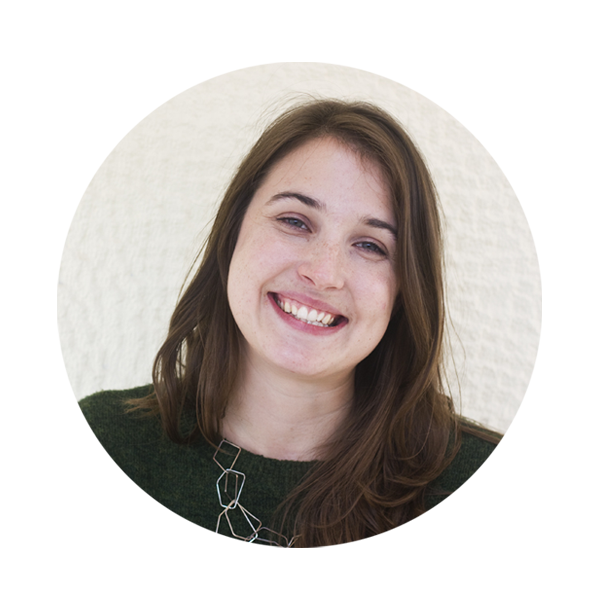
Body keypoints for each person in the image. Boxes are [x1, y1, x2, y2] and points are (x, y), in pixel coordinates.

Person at [57, 99, 541, 548]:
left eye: (370, 246)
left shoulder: (495, 497)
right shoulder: (89, 458)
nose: (324, 273)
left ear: (403, 293)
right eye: (295, 221)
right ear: (232, 233)